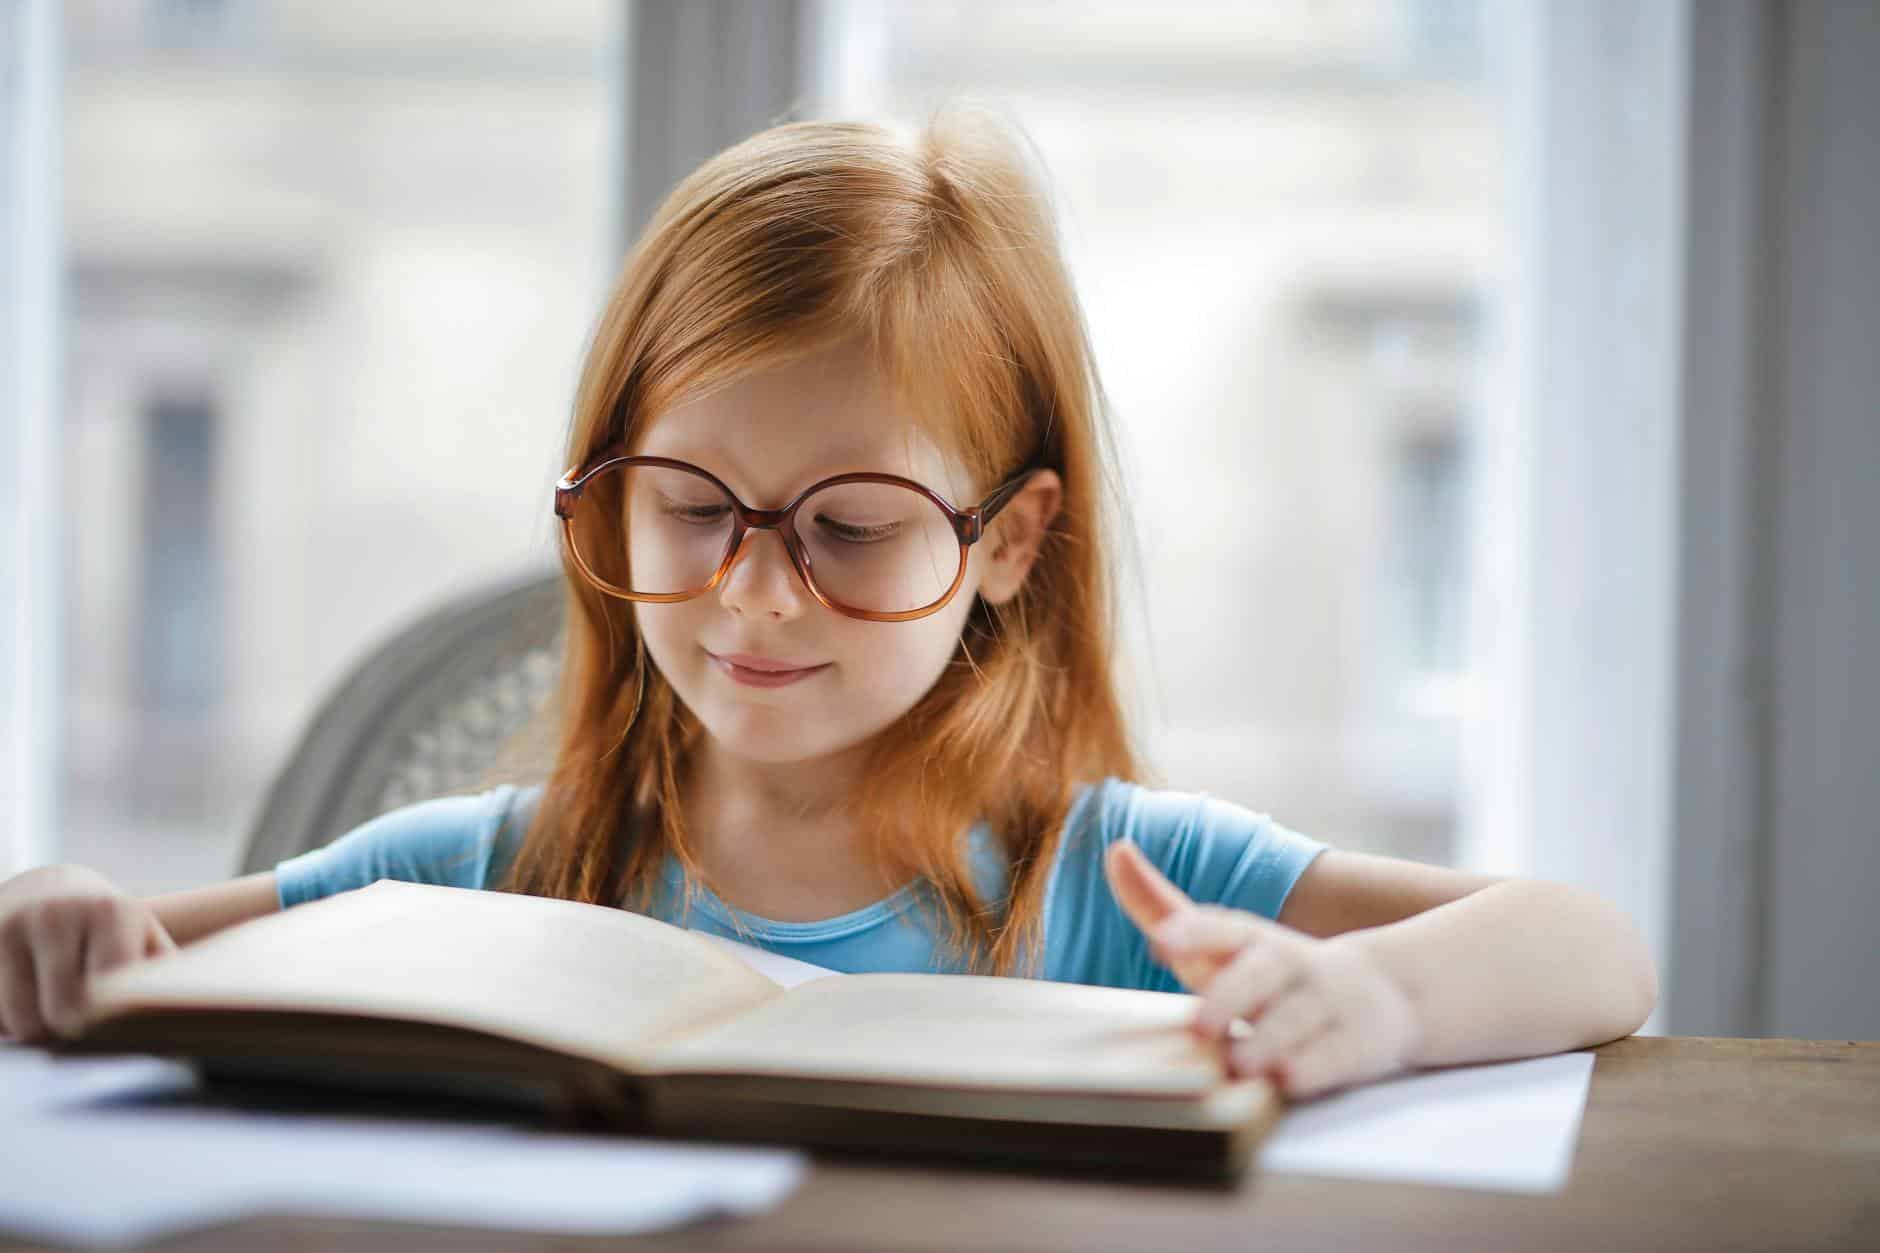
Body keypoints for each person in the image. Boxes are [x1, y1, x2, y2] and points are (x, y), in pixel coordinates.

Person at [0, 109, 1656, 1101]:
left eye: (849, 530)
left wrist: (1380, 1000)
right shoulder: (487, 871)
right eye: (694, 508)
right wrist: (56, 907)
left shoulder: (1112, 877)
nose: (754, 591)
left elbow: (1591, 949)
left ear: (1009, 542)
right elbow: (111, 969)